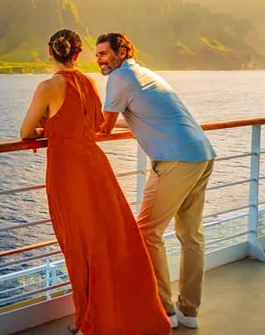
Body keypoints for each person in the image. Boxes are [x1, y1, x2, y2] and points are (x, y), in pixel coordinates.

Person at [20, 29, 170, 335]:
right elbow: (94, 125)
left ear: (50, 52)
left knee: (78, 247)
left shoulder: (48, 87)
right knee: (106, 242)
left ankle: (88, 320)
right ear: (78, 54)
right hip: (95, 167)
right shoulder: (88, 82)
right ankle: (111, 313)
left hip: (68, 172)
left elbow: (25, 131)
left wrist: (47, 129)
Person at [96, 32, 216, 329]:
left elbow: (103, 128)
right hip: (201, 153)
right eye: (96, 53)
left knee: (147, 232)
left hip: (175, 160)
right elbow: (143, 116)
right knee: (191, 236)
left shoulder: (119, 78)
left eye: (104, 53)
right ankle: (190, 312)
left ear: (121, 51)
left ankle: (165, 310)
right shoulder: (143, 73)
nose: (99, 58)